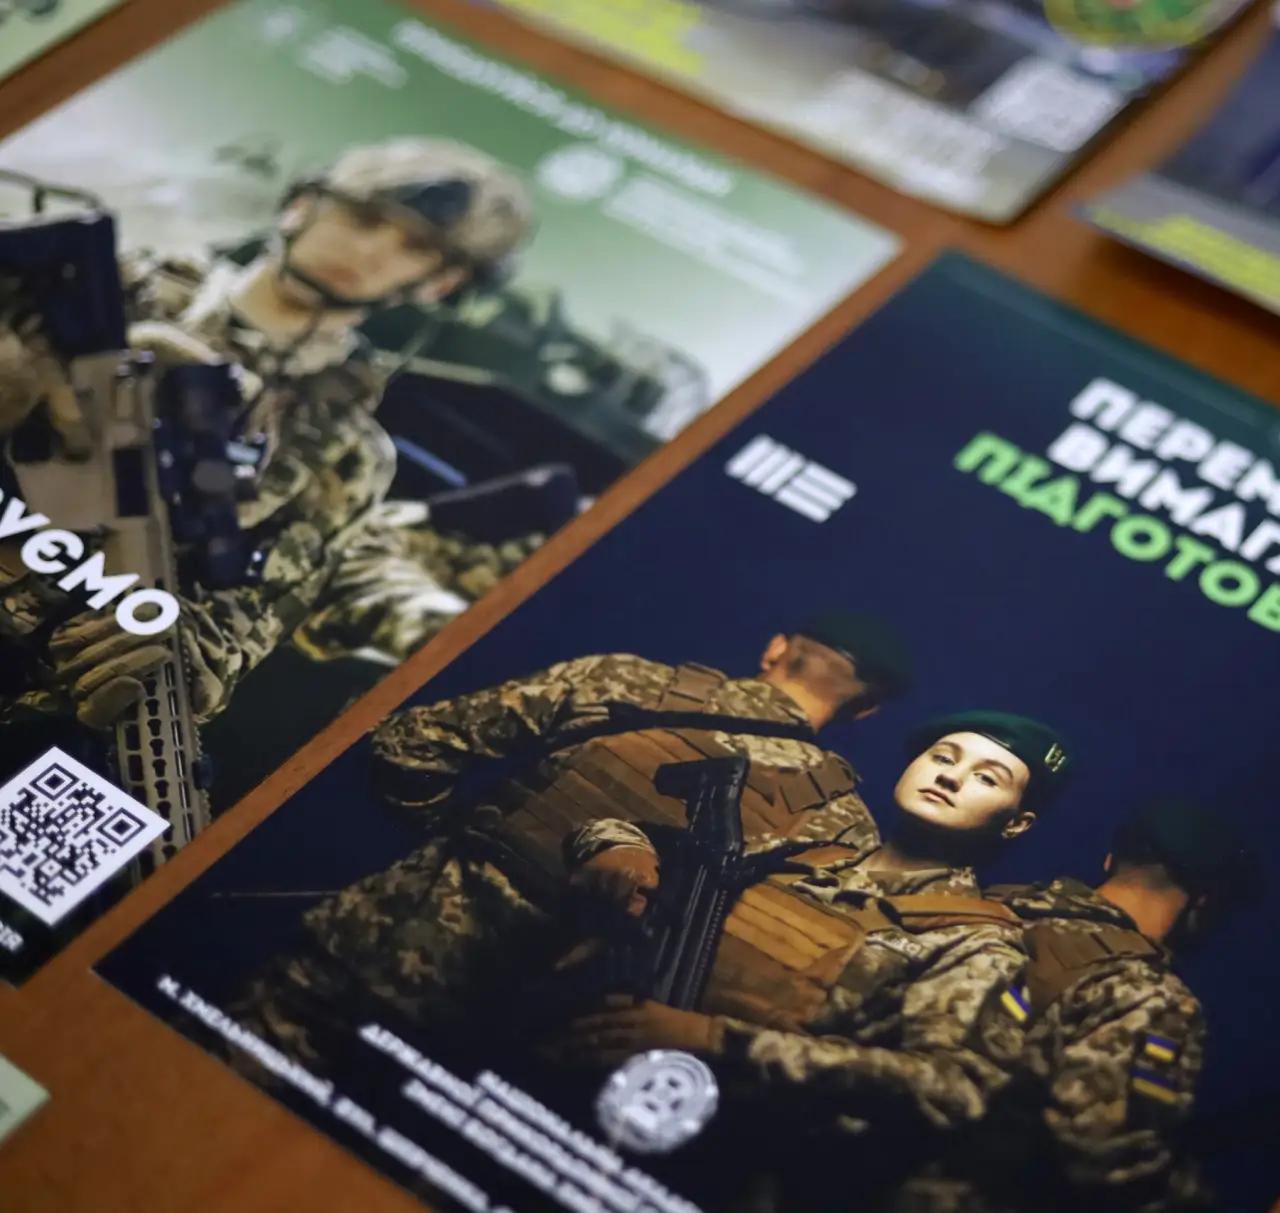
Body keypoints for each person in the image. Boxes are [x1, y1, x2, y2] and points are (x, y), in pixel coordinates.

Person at [0, 137, 533, 728]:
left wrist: (170, 649)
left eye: (415, 247)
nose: (370, 250)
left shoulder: (343, 454)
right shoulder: (94, 284)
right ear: (302, 206)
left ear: (440, 284)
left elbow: (232, 632)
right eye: (363, 218)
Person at [230, 615, 914, 1069]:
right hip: (529, 1043)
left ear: (775, 649)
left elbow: (408, 744)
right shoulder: (838, 820)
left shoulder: (626, 681)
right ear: (866, 709)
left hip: (376, 946)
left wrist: (462, 839)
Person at [550, 710, 1073, 1213]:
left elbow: (952, 1087)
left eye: (986, 777)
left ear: (1016, 823)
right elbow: (646, 843)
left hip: (729, 1166)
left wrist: (718, 1041)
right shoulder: (802, 855)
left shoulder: (973, 942)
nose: (950, 777)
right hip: (582, 1089)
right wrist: (618, 849)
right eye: (943, 757)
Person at [978, 797, 1256, 1212]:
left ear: (1109, 860)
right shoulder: (1152, 996)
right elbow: (1105, 1152)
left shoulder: (989, 904)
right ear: (1204, 905)